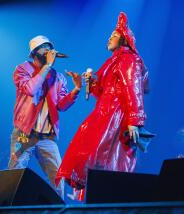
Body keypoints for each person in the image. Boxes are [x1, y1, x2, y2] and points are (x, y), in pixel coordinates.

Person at [55, 12, 149, 199]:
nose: (109, 38)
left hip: (115, 115)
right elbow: (105, 90)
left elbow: (133, 88)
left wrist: (134, 119)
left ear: (124, 39)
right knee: (93, 156)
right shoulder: (114, 60)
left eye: (113, 35)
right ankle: (95, 195)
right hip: (105, 112)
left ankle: (105, 198)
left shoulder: (128, 58)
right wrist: (93, 83)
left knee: (105, 160)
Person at [8, 35, 82, 198]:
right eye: (45, 47)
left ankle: (57, 211)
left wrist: (76, 89)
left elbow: (62, 106)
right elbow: (30, 89)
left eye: (50, 47)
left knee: (58, 178)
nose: (49, 50)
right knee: (15, 174)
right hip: (24, 134)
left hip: (47, 137)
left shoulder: (59, 77)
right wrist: (47, 66)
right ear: (34, 52)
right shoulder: (22, 69)